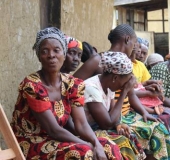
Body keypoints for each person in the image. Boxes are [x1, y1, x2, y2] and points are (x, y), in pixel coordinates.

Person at [10, 27, 122, 160]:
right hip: (32, 142)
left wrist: (96, 143)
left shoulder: (71, 84)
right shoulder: (32, 86)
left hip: (59, 140)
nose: (51, 55)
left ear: (63, 54)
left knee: (109, 145)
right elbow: (53, 130)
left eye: (56, 50)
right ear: (39, 57)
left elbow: (81, 124)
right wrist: (88, 145)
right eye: (45, 51)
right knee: (85, 152)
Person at [62, 40, 143, 159]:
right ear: (115, 77)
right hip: (84, 132)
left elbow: (114, 116)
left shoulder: (109, 86)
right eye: (124, 82)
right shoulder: (91, 88)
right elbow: (107, 122)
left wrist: (119, 124)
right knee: (121, 142)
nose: (124, 85)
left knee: (130, 136)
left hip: (95, 128)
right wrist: (124, 92)